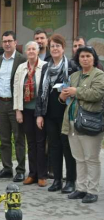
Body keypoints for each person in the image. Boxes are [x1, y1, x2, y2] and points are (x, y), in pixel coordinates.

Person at [60, 46, 104, 203]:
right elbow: (67, 96)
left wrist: (75, 91)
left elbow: (97, 94)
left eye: (88, 56)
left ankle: (92, 191)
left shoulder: (99, 75)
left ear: (94, 59)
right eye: (82, 56)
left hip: (90, 123)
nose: (85, 59)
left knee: (91, 158)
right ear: (78, 59)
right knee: (79, 158)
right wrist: (62, 95)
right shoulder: (74, 76)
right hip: (72, 121)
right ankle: (81, 188)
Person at [35, 34, 77, 193]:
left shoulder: (71, 66)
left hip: (66, 113)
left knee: (67, 147)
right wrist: (39, 114)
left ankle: (71, 181)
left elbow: (75, 88)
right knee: (54, 147)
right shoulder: (46, 66)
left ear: (63, 48)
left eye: (57, 46)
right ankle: (57, 180)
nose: (54, 49)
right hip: (49, 114)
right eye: (52, 46)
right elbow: (41, 92)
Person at [13, 41, 48, 187]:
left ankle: (42, 175)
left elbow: (46, 89)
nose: (31, 51)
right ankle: (32, 174)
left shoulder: (45, 66)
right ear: (26, 52)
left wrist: (41, 113)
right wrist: (18, 110)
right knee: (31, 143)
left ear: (38, 51)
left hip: (40, 111)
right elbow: (16, 89)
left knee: (40, 143)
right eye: (29, 49)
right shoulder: (21, 68)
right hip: (25, 110)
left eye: (34, 49)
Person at [0, 31, 27, 182]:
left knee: (19, 138)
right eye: (4, 41)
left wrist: (20, 107)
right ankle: (7, 168)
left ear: (15, 42)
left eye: (10, 41)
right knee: (4, 139)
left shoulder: (22, 59)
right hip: (1, 102)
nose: (7, 44)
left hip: (15, 104)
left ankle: (20, 170)